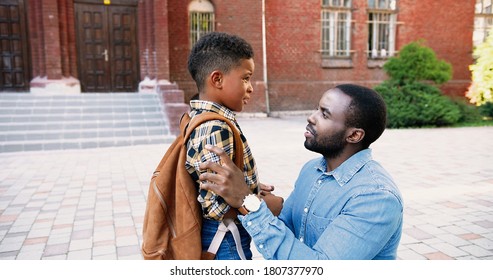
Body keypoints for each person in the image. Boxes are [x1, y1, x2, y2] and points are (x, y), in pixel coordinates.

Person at [198, 84, 404, 260]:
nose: (311, 117)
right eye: (317, 109)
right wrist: (251, 194)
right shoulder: (311, 170)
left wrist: (246, 202)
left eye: (324, 114)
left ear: (354, 135)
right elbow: (284, 230)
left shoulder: (375, 197)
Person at [185, 32, 281, 260]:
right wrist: (259, 202)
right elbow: (216, 206)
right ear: (217, 79)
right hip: (224, 238)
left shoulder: (200, 117)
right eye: (246, 78)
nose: (251, 88)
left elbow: (223, 182)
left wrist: (251, 186)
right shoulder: (216, 128)